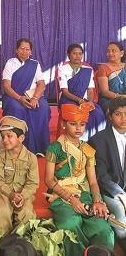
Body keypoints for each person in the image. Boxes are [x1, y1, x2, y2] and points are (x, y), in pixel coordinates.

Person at [44, 103, 114, 255]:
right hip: (61, 196)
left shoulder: (88, 149)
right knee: (70, 223)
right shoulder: (54, 148)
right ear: (63, 124)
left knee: (104, 229)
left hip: (85, 195)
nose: (78, 128)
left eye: (82, 124)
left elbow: (93, 182)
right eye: (73, 124)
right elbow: (49, 180)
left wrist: (97, 201)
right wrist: (70, 199)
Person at [0, 116, 39, 256]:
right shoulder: (1, 155)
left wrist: (22, 196)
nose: (5, 140)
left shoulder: (31, 158)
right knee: (3, 213)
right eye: (2, 136)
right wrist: (10, 194)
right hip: (4, 193)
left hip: (24, 195)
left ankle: (23, 249)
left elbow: (33, 183)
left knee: (27, 214)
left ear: (21, 138)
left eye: (9, 136)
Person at [89, 97, 126, 253]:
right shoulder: (98, 140)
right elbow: (102, 176)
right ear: (110, 115)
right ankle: (122, 242)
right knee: (119, 209)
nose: (124, 118)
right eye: (118, 114)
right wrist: (120, 193)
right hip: (109, 190)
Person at [1, 38, 50, 154]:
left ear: (31, 52)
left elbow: (41, 84)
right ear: (16, 50)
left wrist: (35, 98)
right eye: (22, 48)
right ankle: (17, 147)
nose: (24, 51)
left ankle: (39, 148)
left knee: (42, 108)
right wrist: (19, 98)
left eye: (27, 49)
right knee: (17, 109)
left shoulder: (35, 64)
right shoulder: (10, 63)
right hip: (14, 96)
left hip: (32, 95)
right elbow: (6, 86)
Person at [58, 44, 106, 140]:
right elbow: (65, 91)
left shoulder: (88, 70)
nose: (77, 56)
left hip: (84, 100)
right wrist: (79, 101)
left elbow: (90, 90)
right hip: (68, 100)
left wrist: (90, 102)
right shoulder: (62, 69)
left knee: (98, 113)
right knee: (78, 114)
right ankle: (80, 142)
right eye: (74, 53)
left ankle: (95, 141)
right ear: (68, 55)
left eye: (80, 54)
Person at [97, 42, 126, 112]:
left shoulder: (125, 66)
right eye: (108, 51)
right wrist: (122, 97)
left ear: (121, 53)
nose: (110, 53)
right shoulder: (103, 68)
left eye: (114, 51)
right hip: (109, 100)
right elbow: (105, 92)